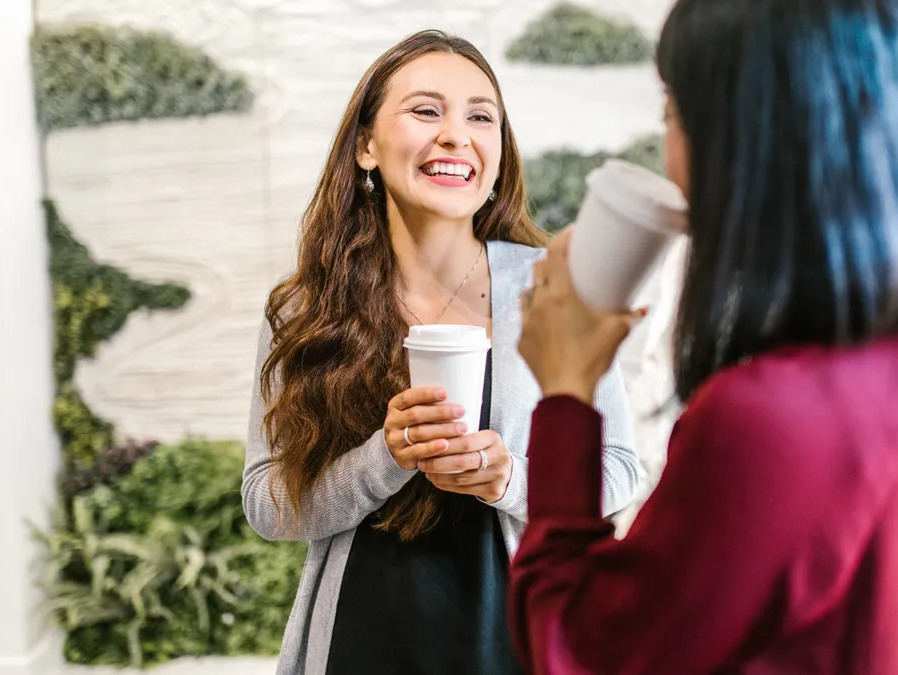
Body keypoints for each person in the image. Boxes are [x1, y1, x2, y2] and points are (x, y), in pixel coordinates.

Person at [509, 0, 898, 673]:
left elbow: (579, 650)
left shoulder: (773, 416)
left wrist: (567, 393)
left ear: (750, 138)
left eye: (673, 111)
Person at [241, 30, 642, 675]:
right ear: (366, 146)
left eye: (481, 116)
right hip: (356, 645)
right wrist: (386, 458)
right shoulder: (304, 310)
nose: (457, 134)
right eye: (427, 110)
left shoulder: (556, 290)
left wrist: (508, 478)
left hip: (513, 644)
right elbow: (267, 503)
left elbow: (620, 470)